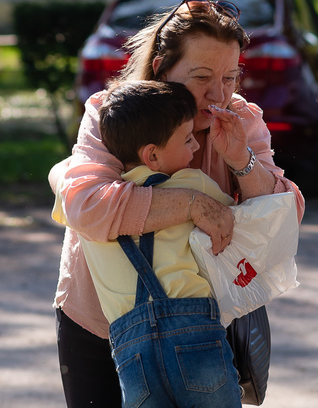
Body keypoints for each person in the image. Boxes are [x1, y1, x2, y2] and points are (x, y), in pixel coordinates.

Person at [49, 0, 306, 408]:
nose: (218, 94)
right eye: (202, 77)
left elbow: (285, 216)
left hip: (200, 329)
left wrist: (242, 161)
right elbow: (86, 206)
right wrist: (191, 203)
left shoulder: (241, 121)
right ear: (161, 70)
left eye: (230, 77)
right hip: (100, 323)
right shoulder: (112, 113)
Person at [54, 79, 241, 408]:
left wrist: (65, 170)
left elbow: (64, 190)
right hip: (197, 334)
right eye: (187, 140)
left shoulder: (96, 213)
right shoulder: (195, 184)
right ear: (152, 155)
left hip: (131, 349)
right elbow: (236, 222)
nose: (195, 148)